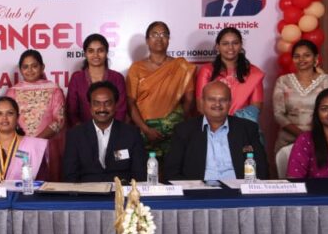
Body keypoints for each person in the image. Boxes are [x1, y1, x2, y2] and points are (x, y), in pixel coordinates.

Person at [164, 81, 269, 181]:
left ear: (230, 103)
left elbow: (262, 169)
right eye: (211, 99)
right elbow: (171, 172)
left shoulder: (247, 128)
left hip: (239, 190)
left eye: (223, 100)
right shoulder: (183, 130)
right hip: (198, 191)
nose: (217, 104)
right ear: (202, 102)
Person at [126, 21, 197, 158]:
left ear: (168, 39)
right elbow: (130, 103)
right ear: (147, 40)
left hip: (173, 131)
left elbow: (189, 100)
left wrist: (172, 123)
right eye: (154, 34)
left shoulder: (181, 67)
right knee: (146, 168)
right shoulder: (136, 68)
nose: (159, 38)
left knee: (172, 167)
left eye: (164, 34)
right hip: (143, 131)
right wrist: (146, 129)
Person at [63, 81, 146, 183]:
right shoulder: (75, 135)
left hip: (121, 190)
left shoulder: (132, 134)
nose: (102, 109)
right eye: (96, 103)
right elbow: (70, 175)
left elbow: (140, 174)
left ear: (116, 105)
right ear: (90, 107)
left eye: (107, 103)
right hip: (87, 191)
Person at [6, 49, 66, 180]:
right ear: (20, 69)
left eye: (34, 66)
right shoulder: (13, 92)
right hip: (20, 146)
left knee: (47, 184)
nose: (30, 70)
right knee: (22, 182)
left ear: (42, 67)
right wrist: (25, 144)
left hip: (47, 146)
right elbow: (8, 120)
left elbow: (59, 121)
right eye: (25, 67)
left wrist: (35, 142)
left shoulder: (54, 90)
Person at [271, 39, 328, 152]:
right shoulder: (283, 81)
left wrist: (313, 138)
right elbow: (278, 114)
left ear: (316, 58)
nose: (301, 59)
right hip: (287, 143)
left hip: (318, 140)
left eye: (307, 55)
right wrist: (303, 136)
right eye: (297, 56)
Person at [195, 27, 265, 121]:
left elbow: (255, 108)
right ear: (217, 47)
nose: (230, 47)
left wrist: (234, 126)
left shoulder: (254, 73)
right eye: (225, 44)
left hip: (243, 125)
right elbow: (201, 106)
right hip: (212, 125)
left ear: (241, 45)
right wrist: (220, 125)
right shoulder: (207, 70)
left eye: (235, 43)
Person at [66, 33, 128, 127]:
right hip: (83, 131)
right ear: (85, 53)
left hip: (113, 131)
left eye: (100, 50)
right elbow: (72, 111)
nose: (96, 55)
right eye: (91, 51)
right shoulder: (77, 78)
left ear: (106, 53)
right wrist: (82, 131)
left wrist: (110, 131)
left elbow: (121, 110)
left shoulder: (117, 78)